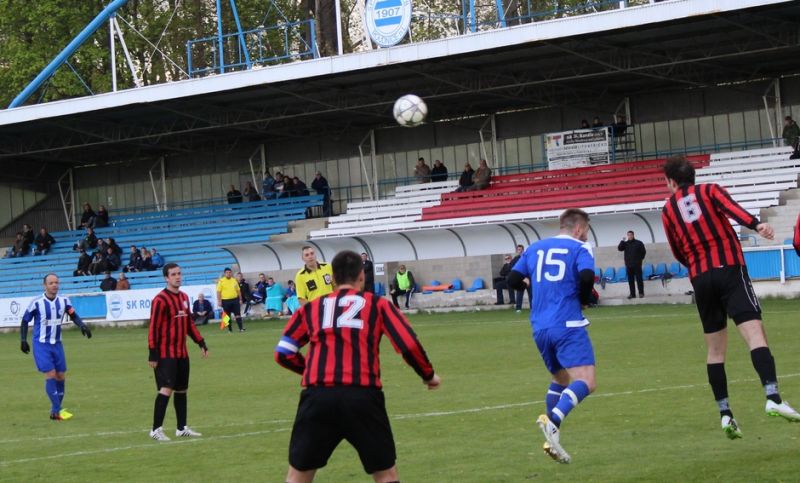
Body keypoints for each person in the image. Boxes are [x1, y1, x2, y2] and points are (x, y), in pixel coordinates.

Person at [663, 156, 800, 440]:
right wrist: (756, 225)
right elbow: (731, 209)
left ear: (672, 182)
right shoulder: (709, 190)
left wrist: (695, 264)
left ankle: (726, 415)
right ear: (693, 177)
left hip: (701, 278)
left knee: (715, 352)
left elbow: (677, 249)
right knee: (754, 335)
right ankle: (773, 397)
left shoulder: (667, 209)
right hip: (728, 269)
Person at [275, 250, 440, 483]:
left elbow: (283, 352)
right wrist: (428, 375)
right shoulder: (378, 305)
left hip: (318, 396)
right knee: (385, 474)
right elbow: (408, 344)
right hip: (362, 395)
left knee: (298, 475)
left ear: (332, 278)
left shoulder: (310, 309)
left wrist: (313, 370)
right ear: (361, 276)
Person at [506, 208, 597, 464]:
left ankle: (551, 439)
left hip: (540, 326)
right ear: (578, 228)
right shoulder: (581, 248)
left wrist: (532, 286)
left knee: (561, 377)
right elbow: (587, 275)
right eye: (586, 230)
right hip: (567, 323)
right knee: (587, 381)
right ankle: (553, 420)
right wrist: (584, 298)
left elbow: (512, 279)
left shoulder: (535, 248)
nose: (586, 235)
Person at [148, 263, 209, 441]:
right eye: (173, 274)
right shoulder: (160, 300)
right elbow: (154, 328)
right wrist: (152, 352)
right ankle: (155, 429)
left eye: (179, 273)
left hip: (182, 353)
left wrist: (200, 341)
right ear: (166, 278)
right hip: (166, 353)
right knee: (166, 389)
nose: (178, 277)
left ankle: (181, 428)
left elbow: (189, 324)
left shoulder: (183, 297)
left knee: (182, 390)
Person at [20, 273, 93, 420]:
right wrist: (23, 339)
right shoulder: (37, 302)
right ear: (45, 285)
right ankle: (58, 410)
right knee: (51, 374)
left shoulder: (64, 301)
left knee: (60, 376)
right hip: (41, 344)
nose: (54, 285)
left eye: (56, 282)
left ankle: (55, 412)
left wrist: (82, 325)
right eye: (51, 283)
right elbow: (25, 320)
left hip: (57, 344)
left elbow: (73, 315)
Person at [617, 230, 646, 299]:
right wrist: (622, 241)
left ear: (633, 235)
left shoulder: (639, 243)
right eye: (628, 235)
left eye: (630, 235)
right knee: (630, 280)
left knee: (639, 279)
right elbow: (619, 248)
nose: (629, 236)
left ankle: (641, 293)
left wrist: (639, 260)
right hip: (629, 265)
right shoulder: (625, 243)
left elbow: (643, 252)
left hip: (637, 265)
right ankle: (632, 294)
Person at [216, 268, 245, 332]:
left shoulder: (234, 280)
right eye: (227, 272)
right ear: (224, 273)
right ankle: (230, 329)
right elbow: (218, 292)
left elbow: (238, 290)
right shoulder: (221, 281)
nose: (228, 274)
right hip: (225, 301)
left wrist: (240, 299)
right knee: (227, 316)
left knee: (238, 314)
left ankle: (241, 328)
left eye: (229, 272)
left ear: (231, 273)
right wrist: (219, 301)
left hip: (235, 300)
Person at [510, 244, 532, 312]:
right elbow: (513, 269)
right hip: (520, 279)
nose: (520, 251)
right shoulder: (515, 259)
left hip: (528, 278)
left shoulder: (527, 258)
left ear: (523, 250)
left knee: (531, 293)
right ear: (517, 251)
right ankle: (518, 308)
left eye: (521, 249)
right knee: (519, 293)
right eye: (518, 250)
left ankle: (532, 307)